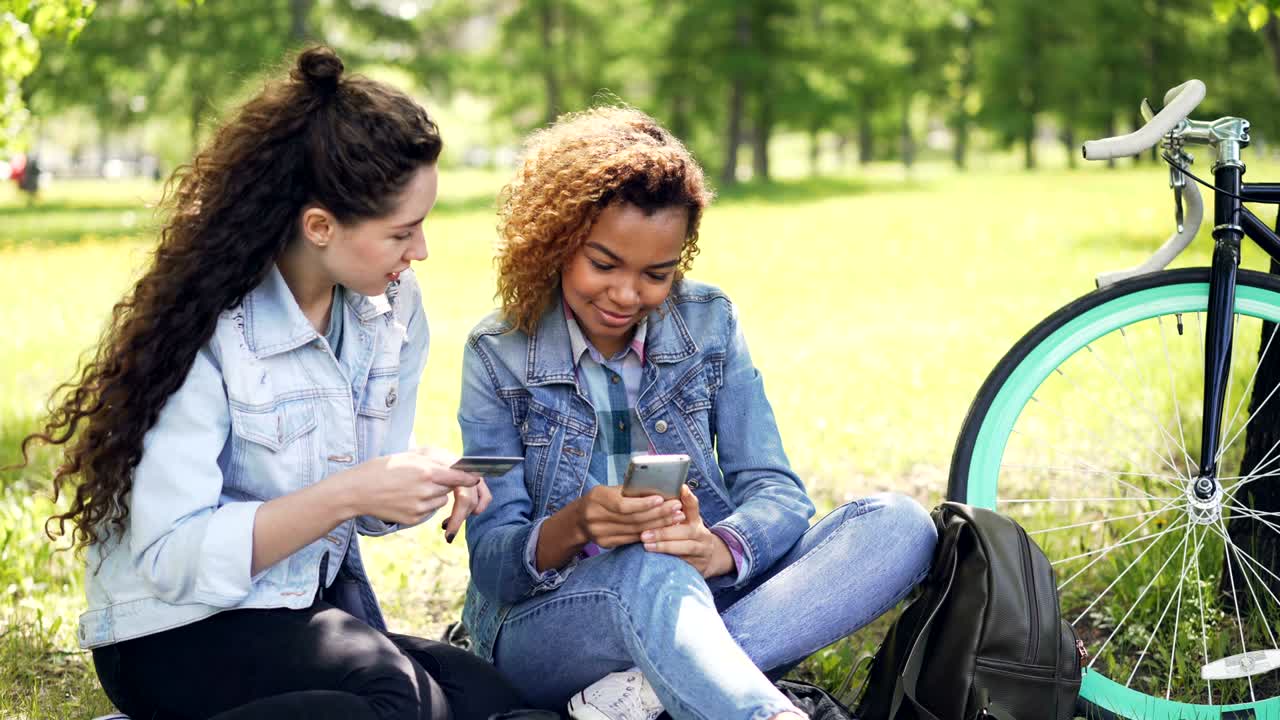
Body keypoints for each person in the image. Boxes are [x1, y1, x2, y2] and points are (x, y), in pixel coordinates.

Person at [18, 46, 524, 720]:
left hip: (295, 611)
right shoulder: (209, 328)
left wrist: (421, 477)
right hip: (172, 631)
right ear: (320, 226)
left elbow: (368, 509)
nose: (421, 251)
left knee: (490, 700)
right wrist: (349, 492)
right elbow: (173, 557)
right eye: (402, 231)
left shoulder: (391, 310)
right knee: (398, 702)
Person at [456, 106, 939, 720]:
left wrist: (718, 546)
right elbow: (495, 562)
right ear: (555, 240)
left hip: (704, 593)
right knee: (650, 574)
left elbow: (777, 492)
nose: (627, 295)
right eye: (603, 265)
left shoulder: (709, 322)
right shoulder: (496, 352)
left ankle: (652, 693)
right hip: (552, 626)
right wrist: (578, 524)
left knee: (897, 524)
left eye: (656, 274)